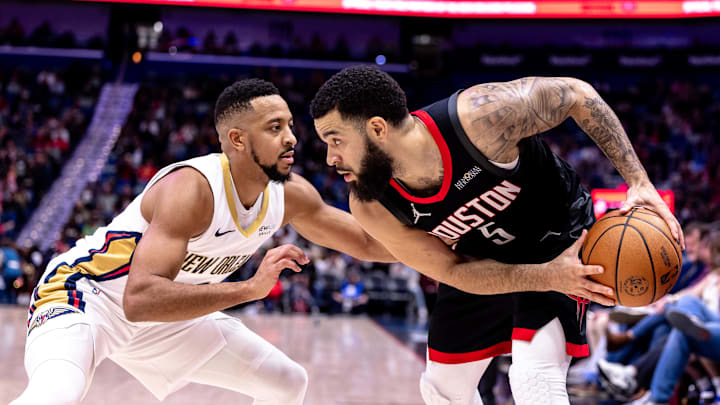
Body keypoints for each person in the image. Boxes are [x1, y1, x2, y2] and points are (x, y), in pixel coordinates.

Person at [310, 65, 684, 405]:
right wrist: (539, 277)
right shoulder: (370, 204)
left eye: (335, 139)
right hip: (481, 260)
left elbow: (577, 94)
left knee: (534, 379)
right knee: (441, 391)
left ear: (377, 128)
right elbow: (453, 272)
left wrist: (638, 181)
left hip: (556, 239)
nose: (330, 158)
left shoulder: (478, 119)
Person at [11, 78, 395, 405]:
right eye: (275, 128)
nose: (292, 138)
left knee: (286, 382)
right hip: (86, 298)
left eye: (290, 126)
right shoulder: (191, 189)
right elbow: (139, 298)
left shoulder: (290, 195)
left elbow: (369, 243)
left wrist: (447, 233)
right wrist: (248, 289)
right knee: (55, 394)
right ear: (237, 139)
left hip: (164, 317)